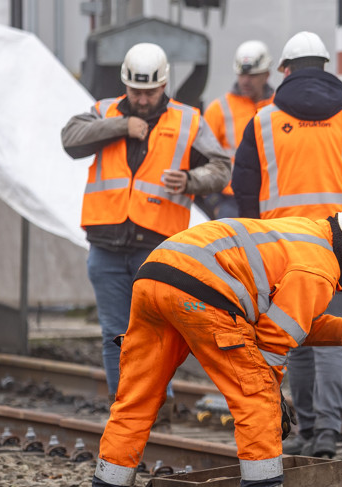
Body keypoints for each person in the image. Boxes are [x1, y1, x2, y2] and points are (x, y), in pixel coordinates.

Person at [85, 207, 342, 487]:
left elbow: (286, 317)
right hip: (204, 292)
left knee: (135, 402)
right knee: (258, 398)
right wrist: (272, 397)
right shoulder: (319, 268)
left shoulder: (304, 236)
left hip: (155, 278)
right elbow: (274, 343)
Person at [232, 30, 342, 459]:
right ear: (325, 67)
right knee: (337, 338)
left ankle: (304, 429)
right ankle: (328, 433)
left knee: (293, 337)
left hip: (279, 252)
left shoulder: (264, 120)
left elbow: (243, 189)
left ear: (284, 70)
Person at [61, 42, 230, 412]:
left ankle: (159, 405)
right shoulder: (105, 112)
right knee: (114, 333)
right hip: (105, 245)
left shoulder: (188, 120)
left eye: (150, 92)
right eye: (136, 91)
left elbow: (221, 168)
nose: (142, 99)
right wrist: (122, 126)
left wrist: (190, 179)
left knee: (156, 332)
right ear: (126, 84)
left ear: (164, 85)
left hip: (158, 247)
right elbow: (69, 139)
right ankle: (124, 408)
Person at [200, 40, 275, 219]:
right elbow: (201, 158)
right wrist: (214, 201)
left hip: (271, 197)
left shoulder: (279, 107)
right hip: (229, 201)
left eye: (252, 76)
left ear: (266, 74)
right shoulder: (219, 110)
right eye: (241, 75)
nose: (245, 81)